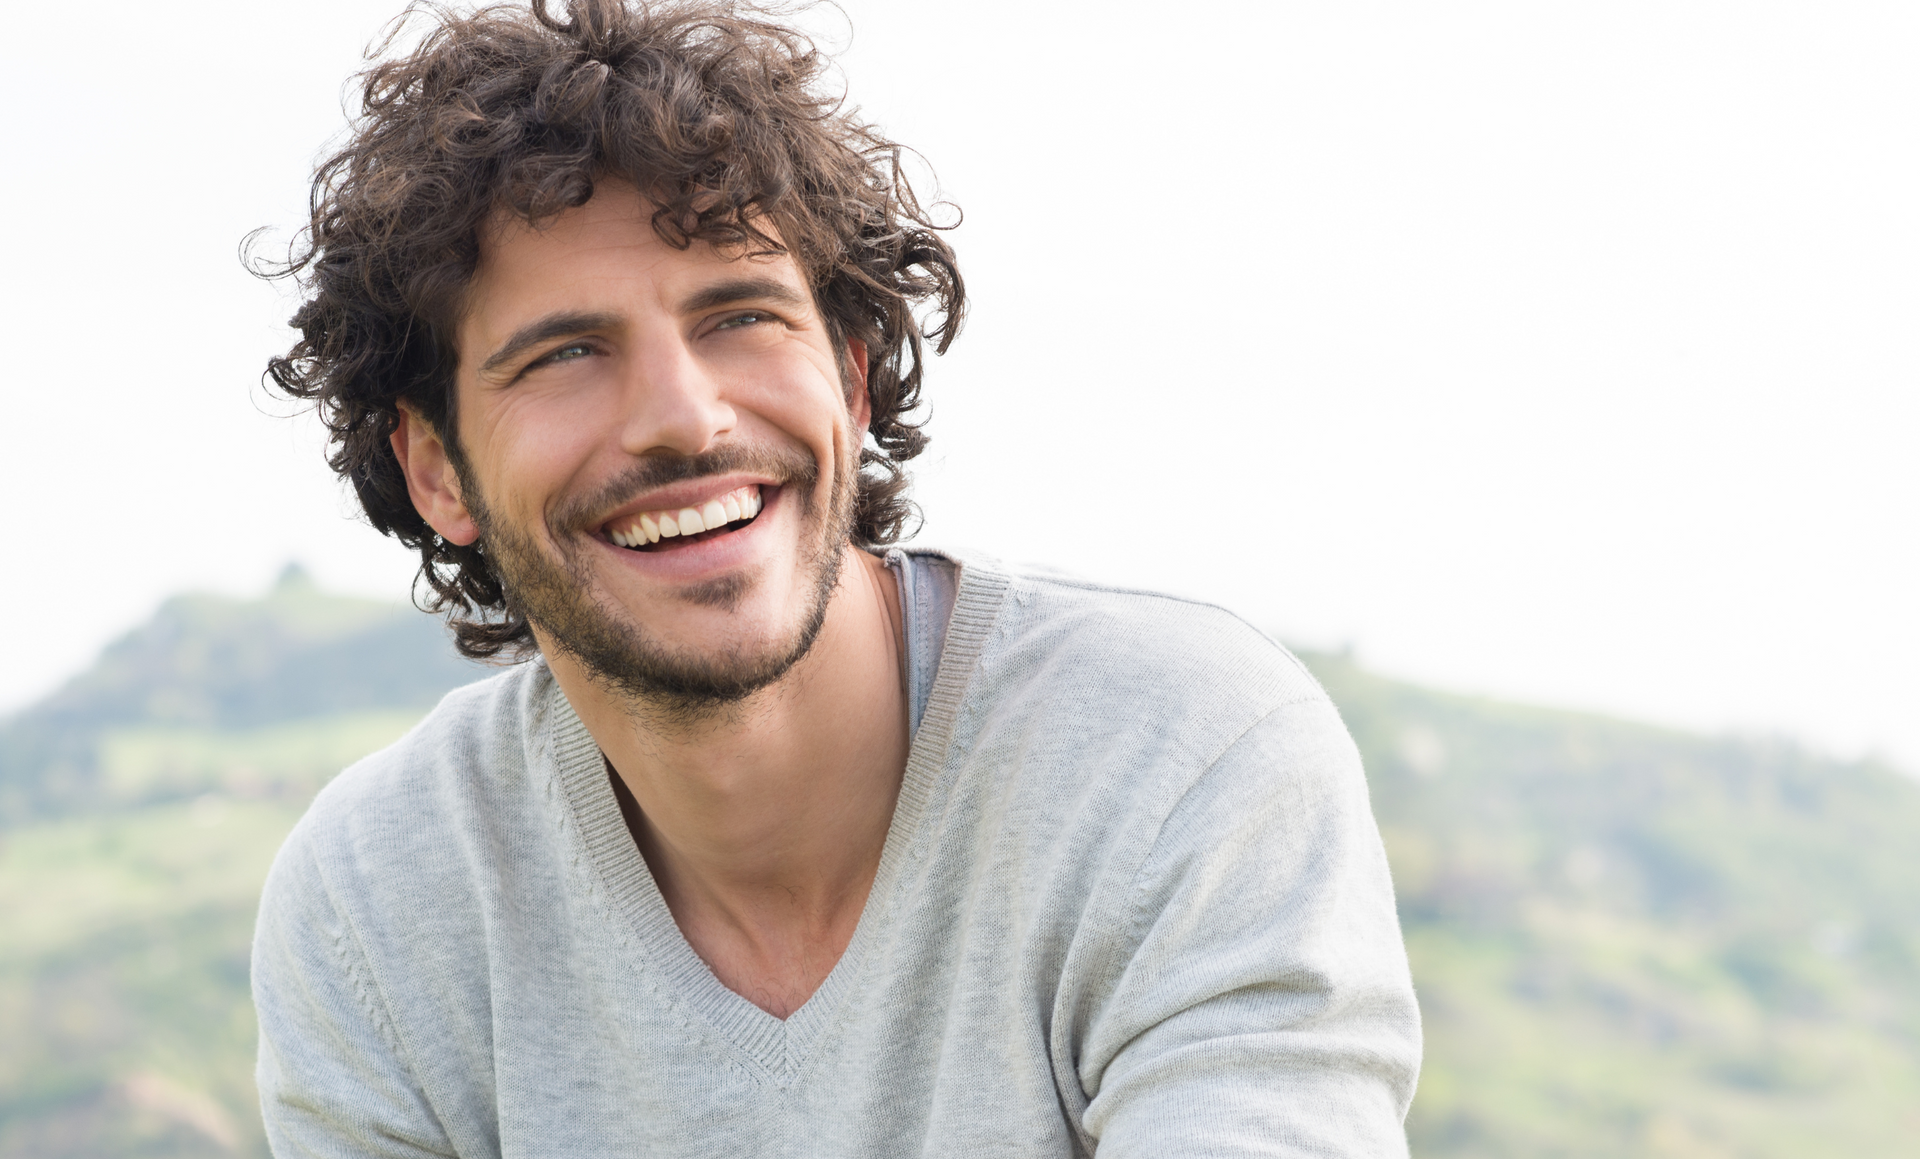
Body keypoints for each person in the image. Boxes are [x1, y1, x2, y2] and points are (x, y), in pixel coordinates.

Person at [250, 1, 1422, 1154]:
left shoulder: (1177, 758)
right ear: (437, 471)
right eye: (564, 354)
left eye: (741, 316)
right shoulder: (380, 904)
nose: (683, 419)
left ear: (852, 385)